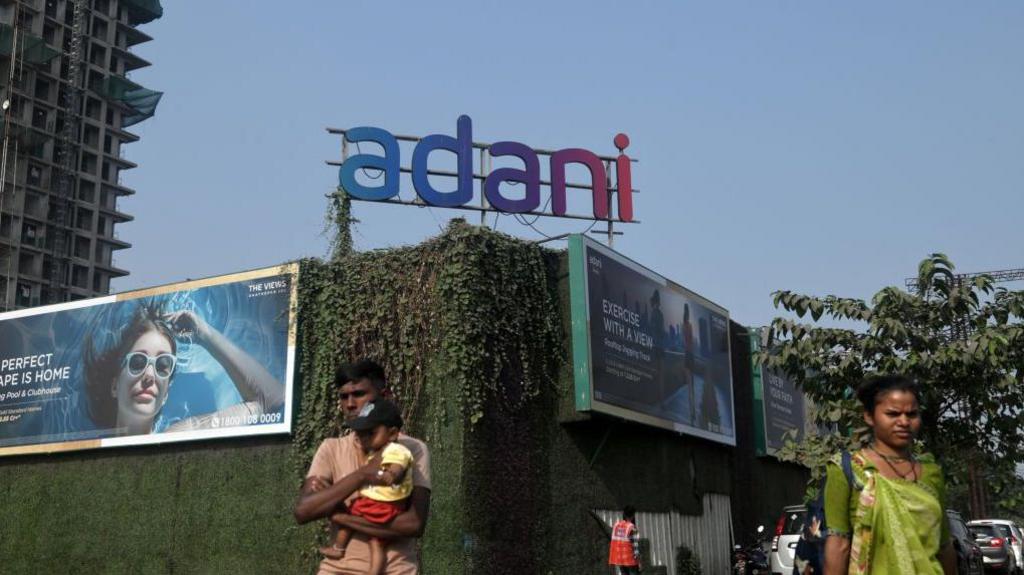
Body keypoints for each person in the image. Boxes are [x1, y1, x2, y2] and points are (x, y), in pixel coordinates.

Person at [294, 360, 431, 575]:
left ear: (384, 396)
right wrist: (361, 476)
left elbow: (413, 524)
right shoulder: (331, 448)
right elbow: (304, 511)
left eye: (358, 394)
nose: (349, 403)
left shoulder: (412, 449)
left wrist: (340, 516)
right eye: (343, 396)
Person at [83, 300, 284, 435]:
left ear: (166, 395)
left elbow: (272, 401)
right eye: (138, 362)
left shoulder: (180, 433)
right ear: (115, 386)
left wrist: (205, 335)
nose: (149, 376)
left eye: (163, 366)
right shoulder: (83, 445)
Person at [823, 375, 956, 575]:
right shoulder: (847, 470)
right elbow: (838, 544)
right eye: (892, 414)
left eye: (912, 414)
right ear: (869, 416)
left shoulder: (931, 473)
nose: (904, 422)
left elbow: (944, 545)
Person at [319, 398, 414, 575]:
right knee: (375, 543)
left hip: (383, 504)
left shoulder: (395, 449)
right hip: (385, 503)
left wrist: (390, 475)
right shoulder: (378, 452)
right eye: (362, 434)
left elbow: (398, 466)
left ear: (392, 434)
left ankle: (338, 548)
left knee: (349, 511)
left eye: (371, 433)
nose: (364, 439)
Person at [608, 506, 641, 575]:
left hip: (619, 559)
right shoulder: (631, 527)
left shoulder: (616, 526)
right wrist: (639, 562)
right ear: (632, 516)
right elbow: (635, 547)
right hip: (630, 561)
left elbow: (614, 542)